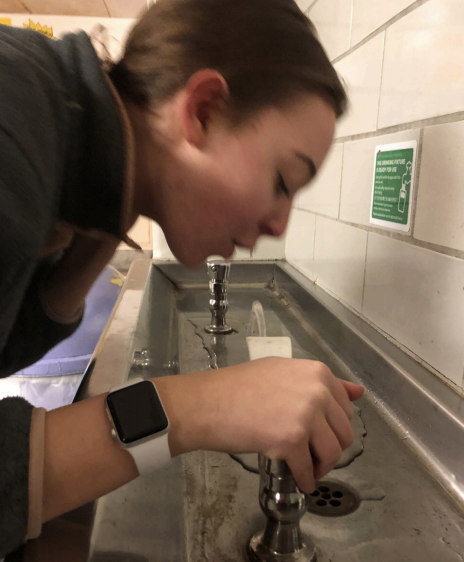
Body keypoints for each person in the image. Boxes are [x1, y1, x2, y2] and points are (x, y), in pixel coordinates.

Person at [0, 0, 364, 555]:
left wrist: (110, 215)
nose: (278, 223)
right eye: (283, 181)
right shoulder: (14, 120)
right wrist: (200, 406)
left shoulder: (73, 140)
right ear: (204, 109)